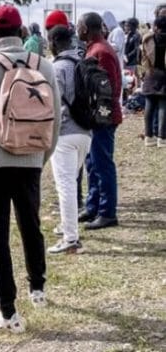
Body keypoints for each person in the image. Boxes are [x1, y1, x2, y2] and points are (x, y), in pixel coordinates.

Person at [0, 5, 60, 333]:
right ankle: (38, 289)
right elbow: (56, 120)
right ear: (21, 31)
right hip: (31, 158)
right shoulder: (44, 65)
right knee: (31, 225)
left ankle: (7, 312)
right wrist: (41, 156)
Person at [44, 25, 92, 255]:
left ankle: (71, 239)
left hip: (64, 133)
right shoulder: (82, 63)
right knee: (71, 182)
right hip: (86, 132)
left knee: (65, 186)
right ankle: (66, 224)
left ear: (53, 43)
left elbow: (52, 105)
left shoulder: (56, 68)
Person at [77, 12, 123, 231]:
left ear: (86, 29)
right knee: (92, 163)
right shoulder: (95, 48)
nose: (76, 29)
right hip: (96, 118)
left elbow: (108, 90)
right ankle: (93, 206)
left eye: (79, 26)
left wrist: (99, 119)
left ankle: (107, 212)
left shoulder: (101, 51)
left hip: (102, 118)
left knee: (103, 164)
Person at [141, 16, 166, 148]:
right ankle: (162, 138)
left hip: (151, 73)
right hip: (164, 74)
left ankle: (148, 136)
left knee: (149, 106)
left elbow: (143, 57)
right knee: (163, 107)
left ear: (156, 26)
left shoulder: (148, 39)